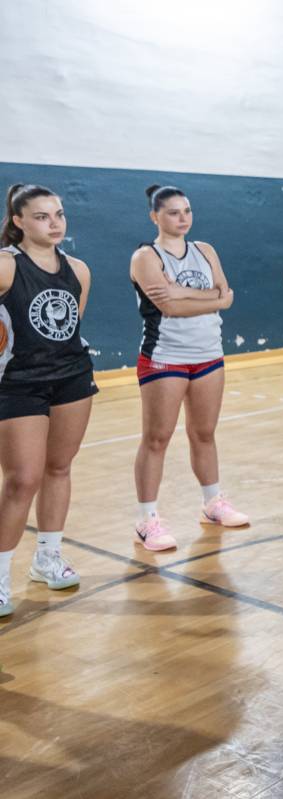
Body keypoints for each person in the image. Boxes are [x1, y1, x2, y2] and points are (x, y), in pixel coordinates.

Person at [131, 185, 248, 552]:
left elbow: (226, 295)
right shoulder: (146, 257)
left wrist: (181, 291)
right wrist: (211, 299)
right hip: (165, 356)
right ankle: (147, 520)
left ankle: (212, 503)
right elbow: (170, 308)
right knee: (157, 438)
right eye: (173, 212)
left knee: (204, 433)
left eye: (187, 211)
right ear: (155, 216)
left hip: (209, 354)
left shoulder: (205, 250)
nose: (182, 218)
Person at [0, 184, 98, 614]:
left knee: (59, 467)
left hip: (71, 378)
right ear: (18, 221)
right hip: (18, 382)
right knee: (22, 479)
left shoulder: (78, 269)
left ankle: (47, 558)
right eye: (42, 216)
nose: (54, 223)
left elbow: (71, 325)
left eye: (58, 214)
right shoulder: (6, 265)